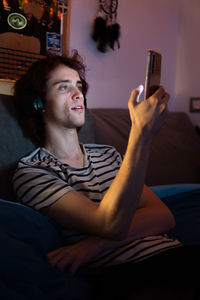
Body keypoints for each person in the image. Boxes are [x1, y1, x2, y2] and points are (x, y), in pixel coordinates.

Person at [13, 51, 199, 299]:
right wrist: (140, 134)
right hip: (129, 274)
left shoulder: (108, 155)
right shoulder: (33, 171)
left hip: (176, 253)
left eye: (79, 86)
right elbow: (109, 224)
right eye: (63, 87)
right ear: (38, 103)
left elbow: (163, 216)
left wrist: (91, 247)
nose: (78, 94)